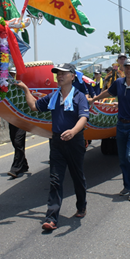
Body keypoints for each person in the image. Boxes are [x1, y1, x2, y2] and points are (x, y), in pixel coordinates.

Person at [19, 63, 89, 230]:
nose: (60, 76)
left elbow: (83, 118)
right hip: (57, 142)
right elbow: (34, 106)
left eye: (64, 73)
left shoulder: (79, 96)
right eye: (58, 73)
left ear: (73, 76)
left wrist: (73, 131)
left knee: (77, 175)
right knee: (55, 180)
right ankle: (51, 218)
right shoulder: (53, 96)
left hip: (74, 141)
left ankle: (81, 206)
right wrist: (26, 90)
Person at [91, 57, 130, 201]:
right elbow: (108, 92)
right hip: (121, 125)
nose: (129, 69)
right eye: (127, 67)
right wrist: (94, 100)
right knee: (122, 159)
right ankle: (127, 186)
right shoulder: (119, 83)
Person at [0, 67, 29, 178]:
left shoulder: (23, 86)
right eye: (10, 74)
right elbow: (1, 101)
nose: (12, 77)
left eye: (13, 74)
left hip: (23, 119)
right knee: (15, 142)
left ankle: (15, 169)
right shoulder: (6, 87)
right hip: (12, 119)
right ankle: (24, 164)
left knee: (18, 142)